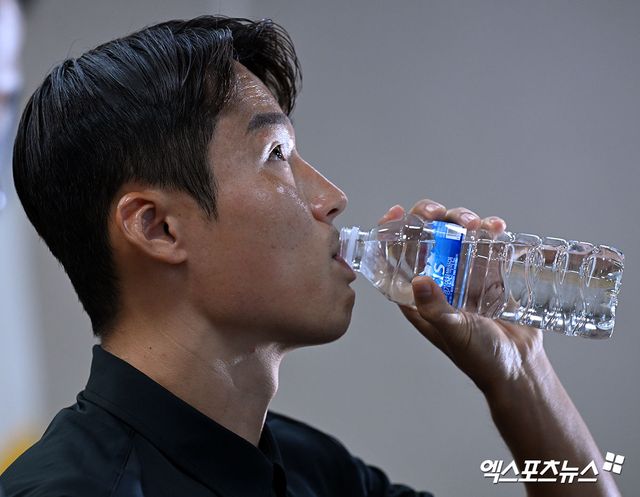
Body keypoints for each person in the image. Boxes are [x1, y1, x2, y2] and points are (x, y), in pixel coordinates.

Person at [0, 16, 620, 497]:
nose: (333, 197)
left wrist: (521, 376)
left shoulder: (310, 470)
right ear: (158, 228)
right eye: (276, 154)